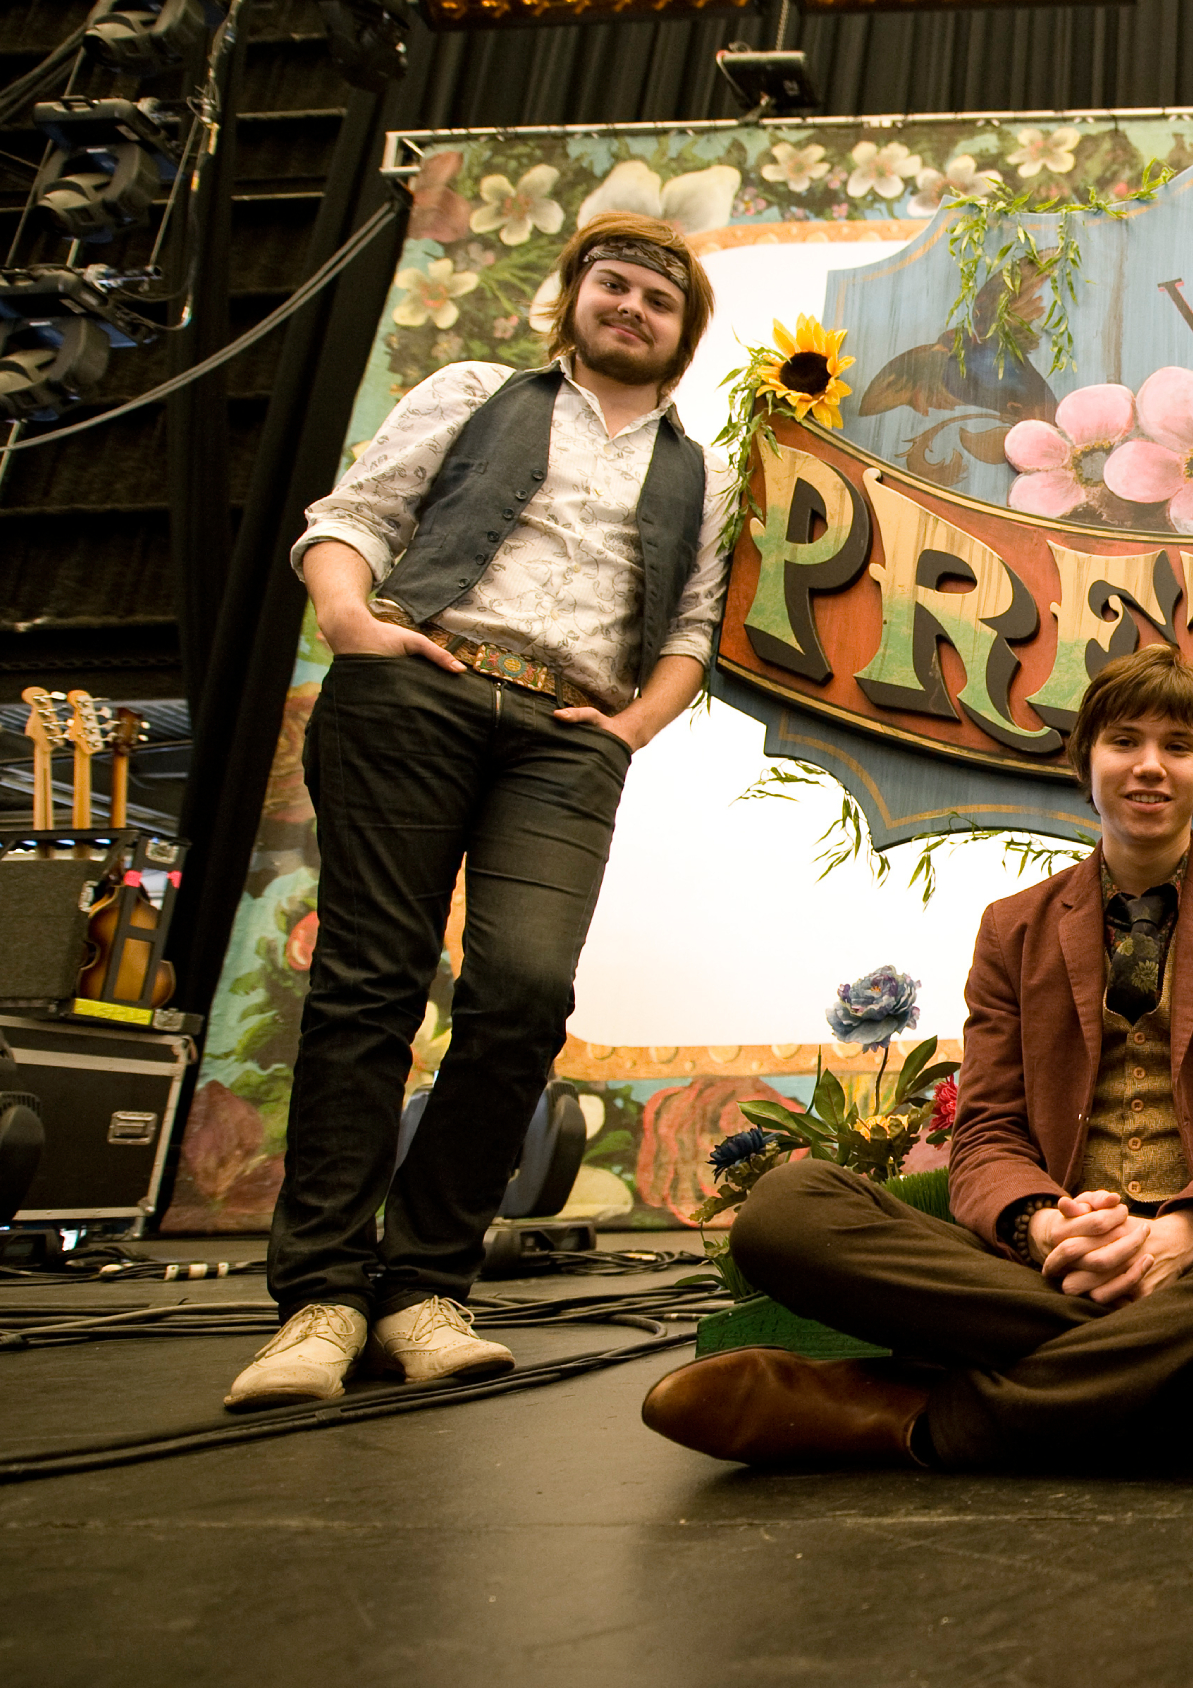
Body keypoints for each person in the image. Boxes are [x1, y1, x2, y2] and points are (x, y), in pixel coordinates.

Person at [224, 212, 733, 1409]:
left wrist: (630, 727)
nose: (631, 310)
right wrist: (351, 620)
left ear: (682, 337)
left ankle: (424, 1290)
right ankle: (321, 1301)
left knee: (521, 993)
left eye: (658, 303)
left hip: (565, 735)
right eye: (614, 286)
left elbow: (694, 629)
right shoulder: (474, 391)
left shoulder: (698, 471)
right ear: (577, 296)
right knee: (370, 982)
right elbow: (358, 515)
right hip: (422, 686)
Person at [639, 645, 1193, 1472]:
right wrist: (1043, 1225)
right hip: (1046, 1269)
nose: (1149, 767)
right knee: (786, 1209)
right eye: (1124, 741)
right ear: (1085, 762)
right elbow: (986, 1130)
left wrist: (1191, 1231)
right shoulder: (1012, 929)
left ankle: (915, 1417)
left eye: (1178, 746)